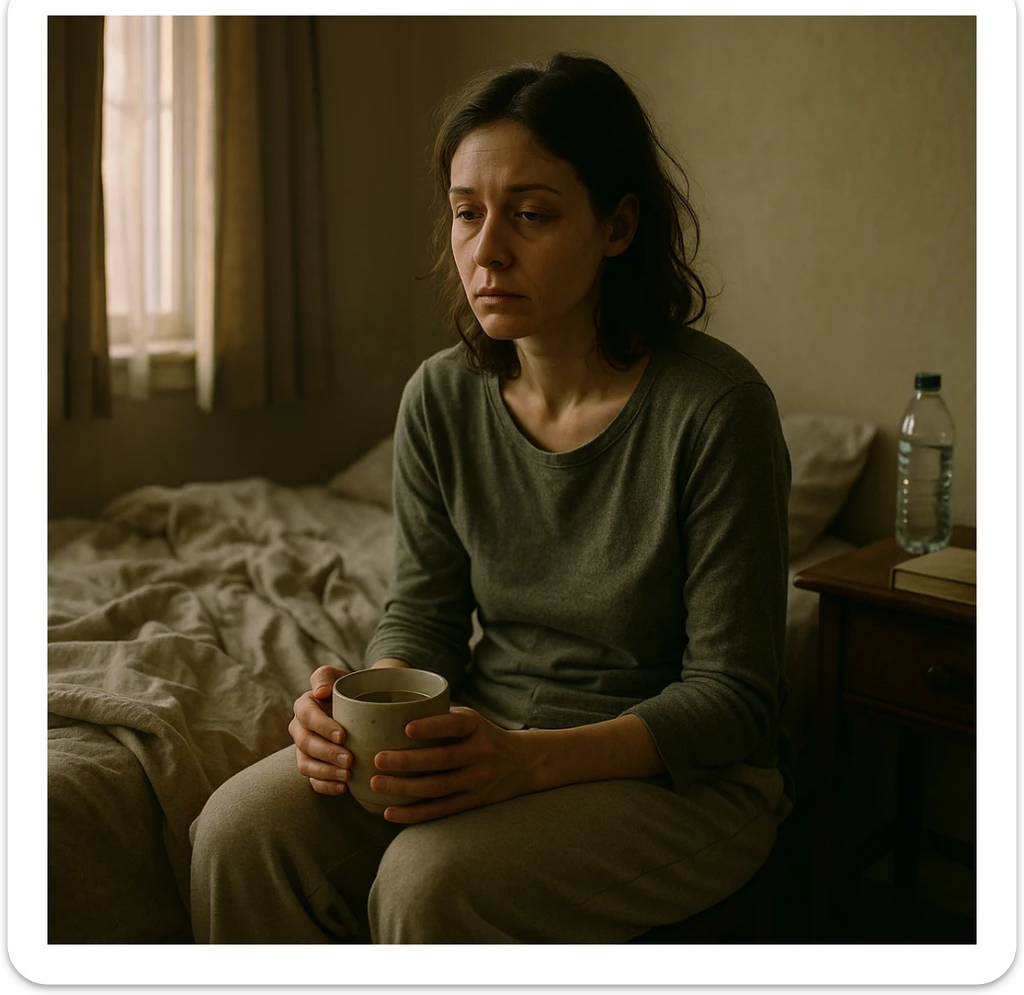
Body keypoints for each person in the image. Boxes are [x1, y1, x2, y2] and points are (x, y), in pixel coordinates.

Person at [189, 51, 794, 944]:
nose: (487, 251)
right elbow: (423, 614)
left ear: (618, 226)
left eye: (532, 214)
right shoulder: (440, 396)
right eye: (467, 213)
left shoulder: (716, 410)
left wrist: (528, 762)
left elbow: (733, 698)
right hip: (486, 732)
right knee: (237, 833)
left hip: (681, 779)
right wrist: (363, 705)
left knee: (429, 885)